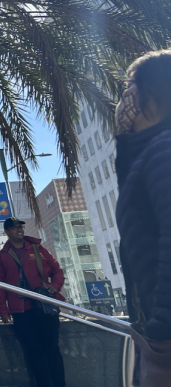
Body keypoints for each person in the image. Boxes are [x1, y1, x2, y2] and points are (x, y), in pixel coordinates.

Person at [114, 50, 171, 385]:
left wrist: (162, 330)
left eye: (130, 89)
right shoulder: (152, 151)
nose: (123, 101)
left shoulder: (163, 149)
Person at [0, 218, 66, 387]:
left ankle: (60, 384)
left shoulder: (38, 249)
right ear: (7, 232)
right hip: (22, 312)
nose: (19, 230)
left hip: (44, 307)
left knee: (53, 350)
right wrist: (3, 310)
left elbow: (57, 271)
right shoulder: (2, 256)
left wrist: (54, 286)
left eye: (20, 227)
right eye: (14, 228)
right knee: (34, 352)